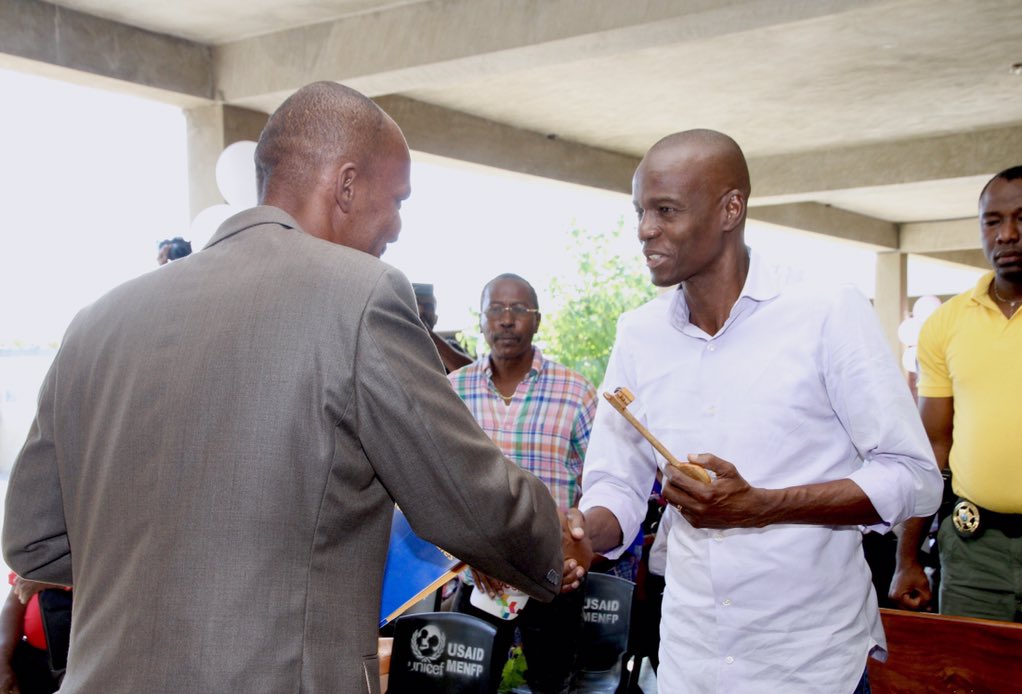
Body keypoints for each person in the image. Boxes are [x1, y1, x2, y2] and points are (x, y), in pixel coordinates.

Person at [2, 81, 589, 694]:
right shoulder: (359, 297)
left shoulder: (98, 320)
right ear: (346, 184)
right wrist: (557, 540)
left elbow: (32, 540)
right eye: (397, 199)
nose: (396, 226)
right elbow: (467, 499)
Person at [572, 129, 942, 693]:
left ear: (731, 208)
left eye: (666, 210)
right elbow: (616, 484)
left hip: (811, 663)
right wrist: (578, 531)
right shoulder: (639, 334)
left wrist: (761, 506)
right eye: (640, 211)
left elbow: (913, 476)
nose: (645, 230)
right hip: (690, 661)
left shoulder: (825, 310)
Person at [448, 273, 597, 694]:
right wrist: (471, 554)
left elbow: (600, 484)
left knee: (553, 685)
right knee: (466, 687)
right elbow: (435, 489)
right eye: (496, 309)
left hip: (553, 582)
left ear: (538, 321)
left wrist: (576, 545)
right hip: (477, 579)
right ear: (481, 320)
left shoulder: (577, 393)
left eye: (519, 310)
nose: (507, 320)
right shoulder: (452, 393)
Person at [889, 165, 1022, 622]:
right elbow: (933, 446)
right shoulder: (946, 324)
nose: (1007, 234)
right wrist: (907, 557)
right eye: (993, 221)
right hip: (973, 552)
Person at [412, 282, 473, 373]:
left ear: (435, 319)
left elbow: (472, 375)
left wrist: (423, 328)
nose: (421, 310)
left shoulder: (451, 347)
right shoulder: (396, 346)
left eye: (428, 307)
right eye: (415, 305)